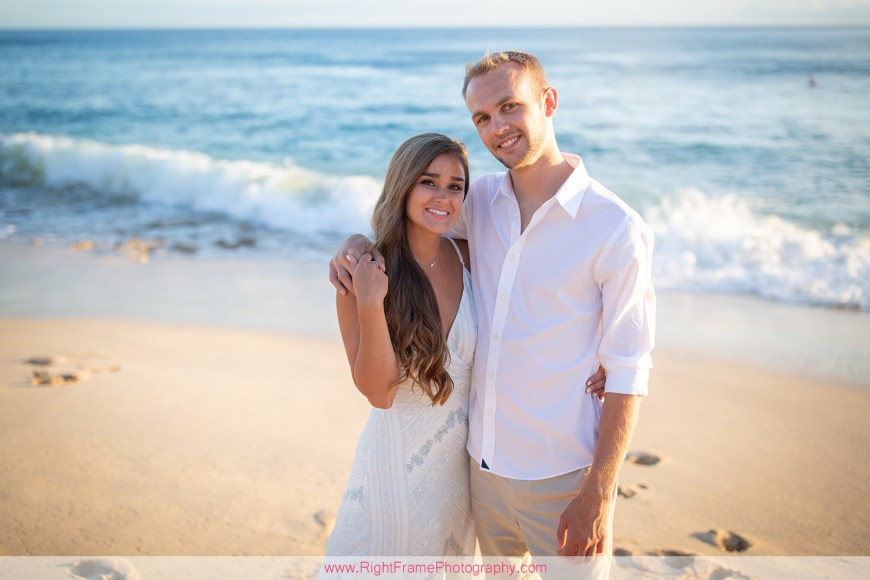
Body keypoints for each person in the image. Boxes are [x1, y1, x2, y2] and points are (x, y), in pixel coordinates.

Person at [330, 51, 654, 578]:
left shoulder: (614, 227)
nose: (497, 127)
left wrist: (598, 491)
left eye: (510, 106)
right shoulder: (477, 202)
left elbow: (629, 368)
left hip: (563, 475)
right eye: (482, 117)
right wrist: (354, 245)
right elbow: (415, 227)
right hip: (479, 474)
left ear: (547, 103)